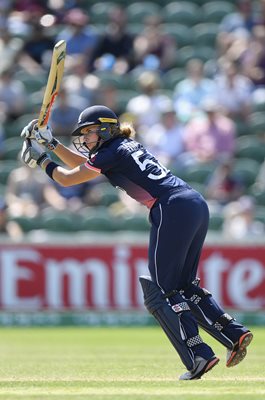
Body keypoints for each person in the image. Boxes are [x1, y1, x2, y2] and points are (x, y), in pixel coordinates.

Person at [20, 105, 253, 380]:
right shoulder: (121, 147)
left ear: (105, 129)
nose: (86, 139)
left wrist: (41, 160)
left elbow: (68, 178)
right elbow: (78, 166)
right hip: (193, 202)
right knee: (184, 285)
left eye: (90, 132)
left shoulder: (112, 151)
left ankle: (198, 354)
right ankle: (233, 333)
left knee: (162, 289)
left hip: (170, 207)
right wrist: (51, 144)